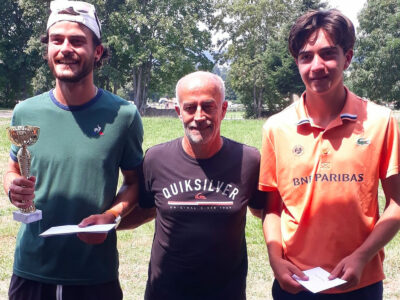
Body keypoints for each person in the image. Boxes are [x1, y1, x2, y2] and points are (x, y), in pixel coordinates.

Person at [3, 1, 146, 299]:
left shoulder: (123, 115)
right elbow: (13, 167)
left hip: (95, 276)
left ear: (97, 51)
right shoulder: (26, 112)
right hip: (31, 270)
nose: (65, 48)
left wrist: (112, 215)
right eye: (57, 40)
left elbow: (134, 183)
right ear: (47, 50)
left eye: (77, 41)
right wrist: (11, 185)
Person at [259, 9, 400, 300]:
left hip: (359, 282)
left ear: (347, 57)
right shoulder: (276, 127)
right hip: (295, 283)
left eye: (328, 54)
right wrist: (276, 259)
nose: (317, 66)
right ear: (297, 62)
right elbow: (271, 208)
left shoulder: (380, 121)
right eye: (306, 57)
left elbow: (397, 203)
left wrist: (361, 257)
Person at [121, 71, 264, 299]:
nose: (199, 116)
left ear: (224, 109)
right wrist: (101, 223)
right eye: (190, 108)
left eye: (209, 106)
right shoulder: (156, 159)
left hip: (226, 293)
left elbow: (264, 212)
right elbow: (143, 209)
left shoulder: (248, 160)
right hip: (165, 292)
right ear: (179, 112)